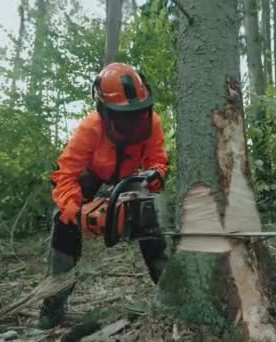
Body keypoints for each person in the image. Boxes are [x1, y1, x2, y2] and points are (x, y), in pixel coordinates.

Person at [39, 63, 169, 329]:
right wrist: (76, 211)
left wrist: (155, 175)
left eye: (136, 113)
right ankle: (54, 300)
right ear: (105, 111)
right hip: (94, 173)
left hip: (132, 175)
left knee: (147, 214)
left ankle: (168, 287)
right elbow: (66, 175)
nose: (132, 120)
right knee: (62, 220)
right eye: (124, 115)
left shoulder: (151, 121)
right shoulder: (91, 128)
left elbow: (158, 160)